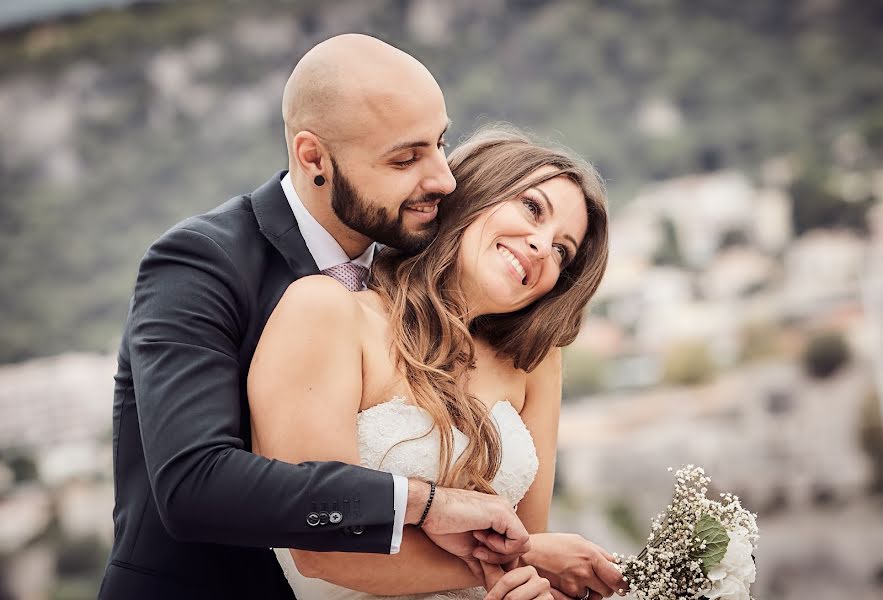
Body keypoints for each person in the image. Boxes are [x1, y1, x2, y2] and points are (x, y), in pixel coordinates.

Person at [99, 35, 531, 600]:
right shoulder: (200, 263)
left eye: (440, 144)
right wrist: (424, 502)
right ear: (313, 158)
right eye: (405, 158)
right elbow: (193, 484)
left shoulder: (418, 268)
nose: (443, 179)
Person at [248, 125, 628, 600]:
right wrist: (526, 558)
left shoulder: (535, 366)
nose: (540, 247)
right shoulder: (326, 312)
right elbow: (319, 544)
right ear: (476, 189)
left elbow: (523, 562)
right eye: (532, 208)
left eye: (561, 251)